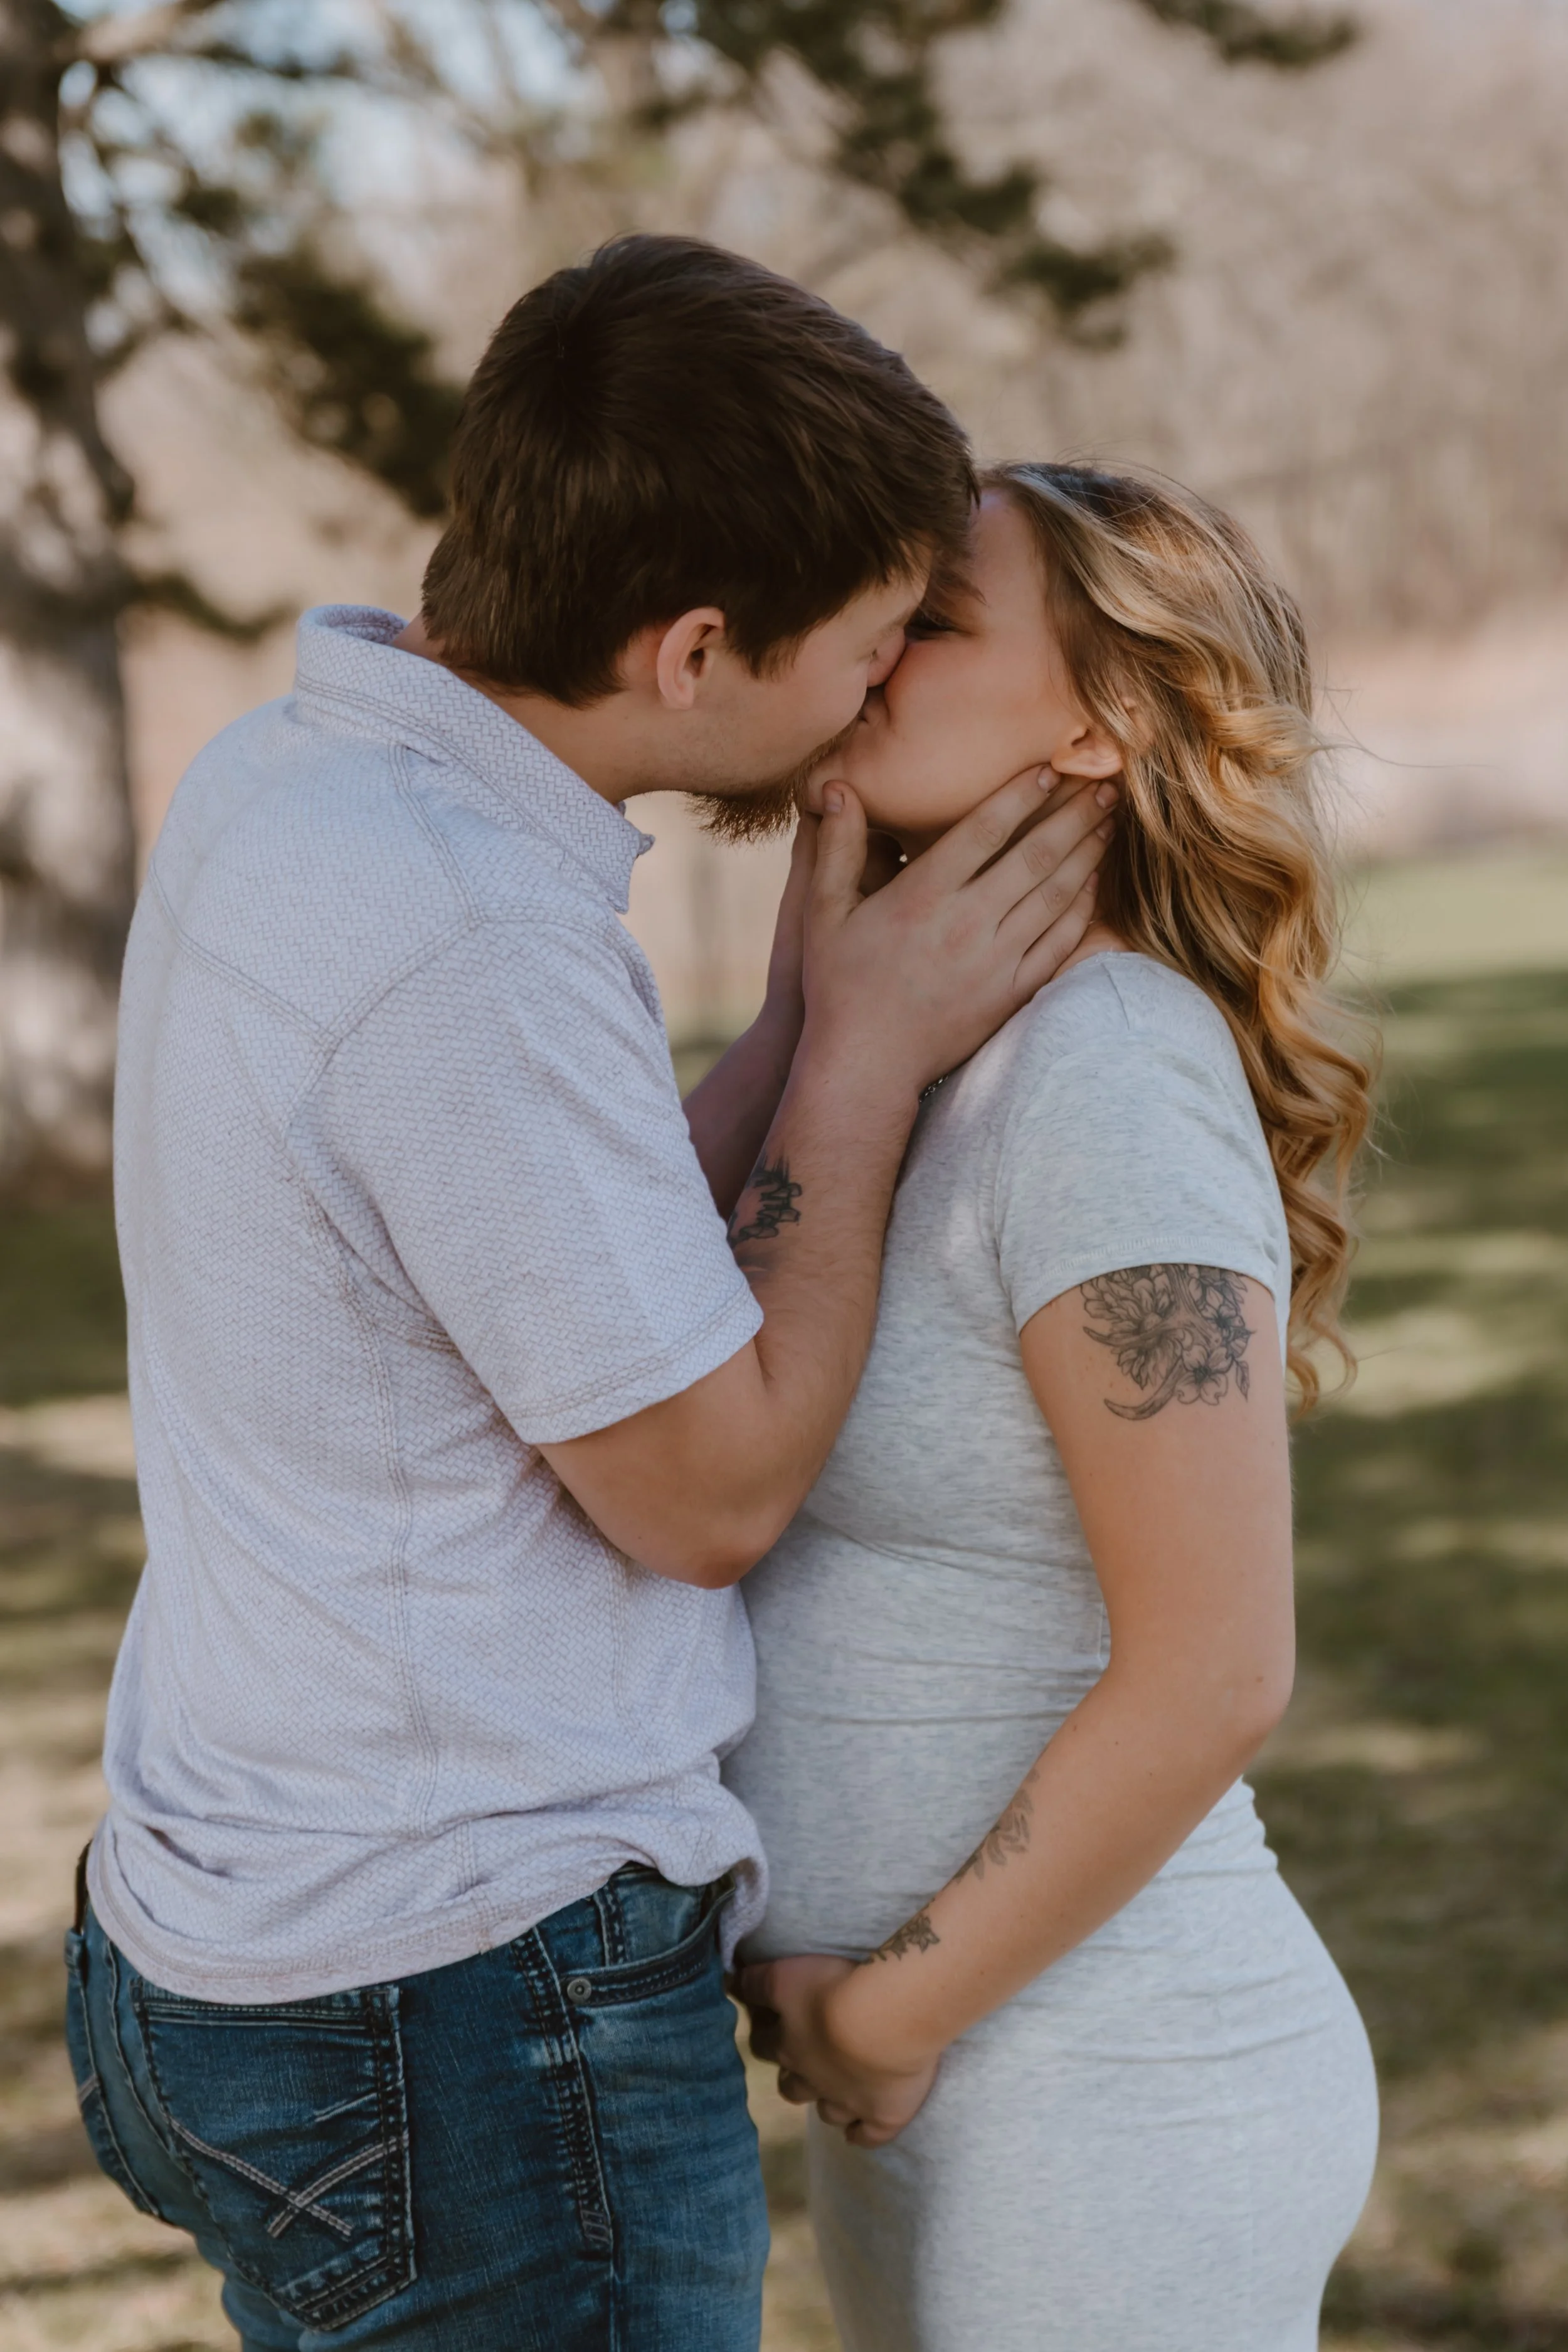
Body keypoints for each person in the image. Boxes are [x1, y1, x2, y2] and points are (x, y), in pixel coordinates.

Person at [63, 241, 1112, 2351]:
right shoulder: (461, 930)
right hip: (460, 2015)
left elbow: (552, 1255)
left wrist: (802, 1005)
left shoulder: (300, 779)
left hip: (243, 1937)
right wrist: (859, 1069)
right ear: (700, 646)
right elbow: (706, 1489)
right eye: (866, 646)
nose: (874, 700)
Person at [730, 461, 1380, 2352]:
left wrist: (883, 2011)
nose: (864, 645)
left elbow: (1213, 1667)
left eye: (929, 619)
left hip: (1115, 2092)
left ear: (1102, 724)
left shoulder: (1102, 1070)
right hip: (956, 2092)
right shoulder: (928, 1058)